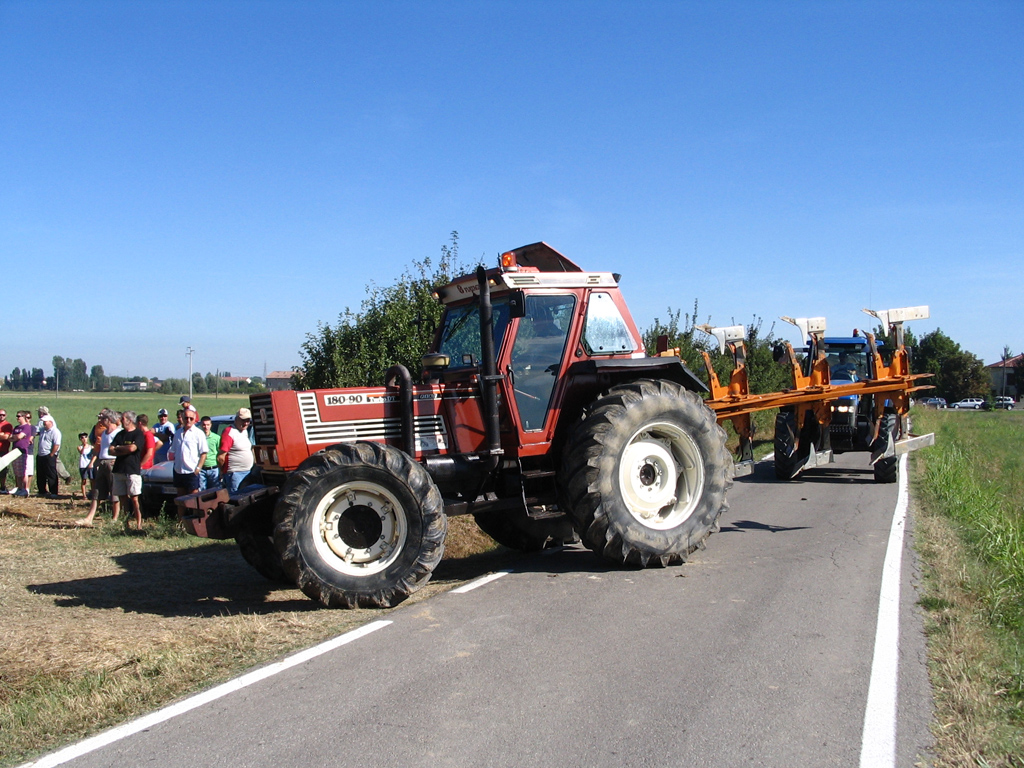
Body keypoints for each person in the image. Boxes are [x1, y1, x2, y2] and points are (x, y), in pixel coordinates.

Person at [77, 411, 122, 526]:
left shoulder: (119, 432)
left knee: (114, 492)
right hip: (102, 462)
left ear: (109, 420)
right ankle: (89, 518)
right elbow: (98, 449)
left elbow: (123, 448)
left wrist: (118, 459)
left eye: (103, 419)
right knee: (96, 491)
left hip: (112, 463)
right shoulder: (103, 433)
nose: (100, 421)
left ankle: (115, 518)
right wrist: (93, 462)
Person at [108, 411, 147, 531]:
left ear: (130, 420)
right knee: (122, 498)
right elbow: (110, 450)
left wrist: (119, 449)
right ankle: (126, 524)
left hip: (132, 470)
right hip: (119, 470)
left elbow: (133, 448)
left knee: (135, 499)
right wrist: (123, 449)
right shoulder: (120, 434)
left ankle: (139, 524)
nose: (121, 420)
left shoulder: (138, 434)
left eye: (123, 418)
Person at [168, 405, 207, 496]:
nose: (188, 420)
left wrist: (198, 469)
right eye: (186, 418)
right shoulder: (178, 433)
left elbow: (204, 453)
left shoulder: (198, 433)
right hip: (179, 470)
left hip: (191, 471)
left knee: (193, 499)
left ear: (194, 420)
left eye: (191, 418)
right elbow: (173, 451)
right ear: (182, 418)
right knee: (180, 498)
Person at [218, 408, 255, 493]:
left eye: (248, 421)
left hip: (247, 472)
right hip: (235, 474)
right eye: (243, 420)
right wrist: (222, 471)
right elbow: (221, 457)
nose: (246, 423)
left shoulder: (244, 431)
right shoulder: (229, 432)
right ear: (236, 419)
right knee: (236, 498)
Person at [10, 411, 36, 497]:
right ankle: (19, 488)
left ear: (24, 417)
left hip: (22, 450)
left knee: (23, 471)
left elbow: (19, 437)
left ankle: (25, 489)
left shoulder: (26, 427)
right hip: (15, 450)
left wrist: (16, 437)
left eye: (19, 416)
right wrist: (15, 437)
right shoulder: (16, 427)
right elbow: (10, 438)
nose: (17, 418)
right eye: (16, 416)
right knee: (17, 471)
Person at [36, 415, 62, 498]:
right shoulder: (43, 430)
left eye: (45, 421)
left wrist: (51, 454)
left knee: (51, 474)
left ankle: (53, 491)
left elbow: (56, 444)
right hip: (40, 454)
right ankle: (42, 491)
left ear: (50, 422)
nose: (44, 423)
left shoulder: (55, 432)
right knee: (40, 474)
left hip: (49, 455)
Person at [198, 416, 221, 490]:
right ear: (201, 425)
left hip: (213, 468)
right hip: (201, 468)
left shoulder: (216, 438)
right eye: (204, 425)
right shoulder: (198, 437)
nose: (206, 427)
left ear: (211, 425)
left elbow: (220, 453)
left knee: (215, 490)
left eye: (208, 425)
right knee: (201, 491)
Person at [77, 432, 93, 502]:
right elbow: (82, 452)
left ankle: (93, 493)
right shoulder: (79, 447)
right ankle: (84, 495)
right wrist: (84, 446)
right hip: (83, 465)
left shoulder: (91, 447)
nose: (84, 439)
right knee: (84, 480)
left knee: (92, 480)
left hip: (90, 465)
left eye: (85, 437)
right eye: (82, 438)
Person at [0, 408, 13, 494]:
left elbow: (6, 437)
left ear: (6, 415)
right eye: (0, 415)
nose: (1, 416)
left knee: (3, 470)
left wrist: (3, 435)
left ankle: (2, 487)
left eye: (3, 415)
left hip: (3, 450)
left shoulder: (8, 425)